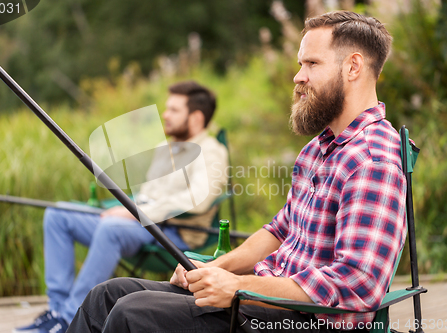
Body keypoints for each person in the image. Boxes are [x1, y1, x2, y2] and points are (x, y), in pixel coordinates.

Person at [67, 11, 407, 333]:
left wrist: (238, 286)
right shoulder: (319, 149)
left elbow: (358, 283)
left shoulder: (372, 158)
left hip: (304, 320)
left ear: (353, 67)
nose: (298, 76)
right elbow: (279, 229)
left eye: (312, 64)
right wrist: (215, 269)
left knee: (132, 314)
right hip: (264, 299)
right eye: (300, 63)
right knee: (107, 296)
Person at [14, 81, 228, 333]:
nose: (165, 115)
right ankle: (57, 311)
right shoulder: (165, 148)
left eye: (173, 110)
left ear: (196, 117)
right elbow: (147, 193)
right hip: (138, 223)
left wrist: (135, 213)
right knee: (58, 214)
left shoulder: (212, 151)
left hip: (173, 233)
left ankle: (69, 319)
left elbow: (199, 199)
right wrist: (124, 207)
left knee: (111, 228)